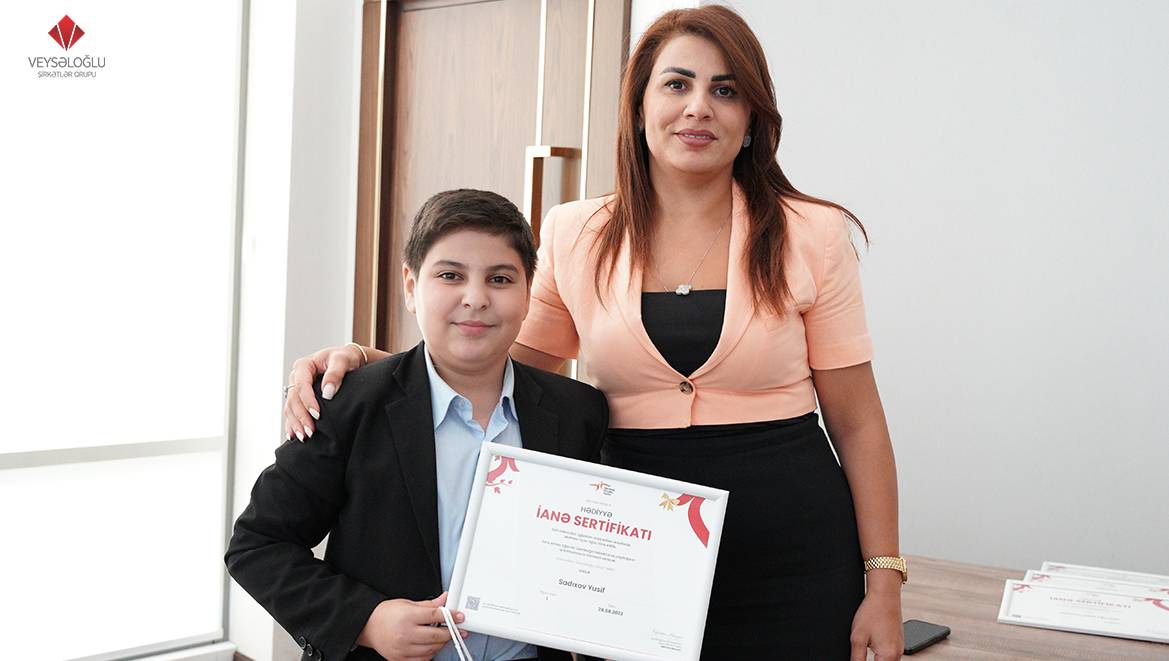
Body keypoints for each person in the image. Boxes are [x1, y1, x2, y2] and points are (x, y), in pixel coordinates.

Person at [284, 7, 903, 660]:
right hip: (623, 556)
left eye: (725, 90)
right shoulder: (576, 232)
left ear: (751, 119)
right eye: (677, 84)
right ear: (638, 108)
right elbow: (495, 371)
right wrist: (370, 361)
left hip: (795, 556)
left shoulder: (813, 233)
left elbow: (858, 422)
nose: (698, 106)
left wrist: (884, 581)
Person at [228, 189, 609, 661]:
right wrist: (366, 620)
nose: (476, 299)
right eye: (450, 275)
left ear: (529, 293)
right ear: (411, 286)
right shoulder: (350, 405)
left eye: (500, 278)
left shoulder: (578, 412)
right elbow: (257, 544)